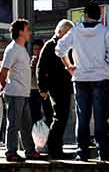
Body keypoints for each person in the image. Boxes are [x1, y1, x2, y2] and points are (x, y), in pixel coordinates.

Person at [55, 3, 109, 161]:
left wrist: (69, 66)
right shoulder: (106, 31)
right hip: (101, 78)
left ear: (85, 14)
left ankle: (82, 153)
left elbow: (59, 49)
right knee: (101, 117)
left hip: (81, 78)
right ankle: (103, 152)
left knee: (82, 117)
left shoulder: (75, 30)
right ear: (99, 16)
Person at [0, 19, 41, 162]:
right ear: (20, 32)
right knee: (14, 124)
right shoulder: (12, 49)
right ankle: (10, 153)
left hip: (23, 94)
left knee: (26, 125)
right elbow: (3, 72)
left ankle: (30, 151)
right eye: (27, 29)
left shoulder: (22, 49)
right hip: (14, 93)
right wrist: (5, 88)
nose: (29, 32)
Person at [37, 19, 74, 159]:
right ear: (59, 32)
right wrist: (43, 88)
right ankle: (54, 150)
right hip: (55, 87)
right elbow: (40, 68)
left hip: (65, 86)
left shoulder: (68, 45)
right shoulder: (50, 46)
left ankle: (57, 149)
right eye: (68, 33)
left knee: (62, 118)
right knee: (59, 118)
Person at [29, 39, 53, 127]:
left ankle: (49, 135)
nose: (37, 51)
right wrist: (32, 67)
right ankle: (37, 135)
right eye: (35, 49)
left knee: (48, 114)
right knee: (34, 115)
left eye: (38, 49)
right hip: (33, 90)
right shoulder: (31, 60)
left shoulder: (47, 59)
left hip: (45, 90)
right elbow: (29, 77)